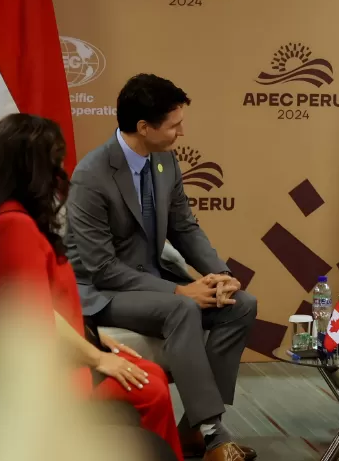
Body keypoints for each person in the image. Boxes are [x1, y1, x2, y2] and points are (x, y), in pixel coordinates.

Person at [0, 113, 183, 461]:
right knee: (150, 387)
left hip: (50, 356)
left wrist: (89, 335)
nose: (62, 172)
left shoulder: (11, 216)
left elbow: (45, 302)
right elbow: (32, 320)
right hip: (40, 379)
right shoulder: (13, 228)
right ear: (32, 168)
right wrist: (97, 357)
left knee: (148, 373)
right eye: (54, 162)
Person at [65, 74, 257, 461]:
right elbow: (102, 268)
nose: (181, 132)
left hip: (150, 278)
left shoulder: (164, 160)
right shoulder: (91, 176)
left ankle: (193, 432)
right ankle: (214, 434)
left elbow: (184, 227)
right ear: (143, 128)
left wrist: (221, 275)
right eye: (174, 125)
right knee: (183, 307)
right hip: (103, 293)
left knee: (242, 304)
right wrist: (179, 290)